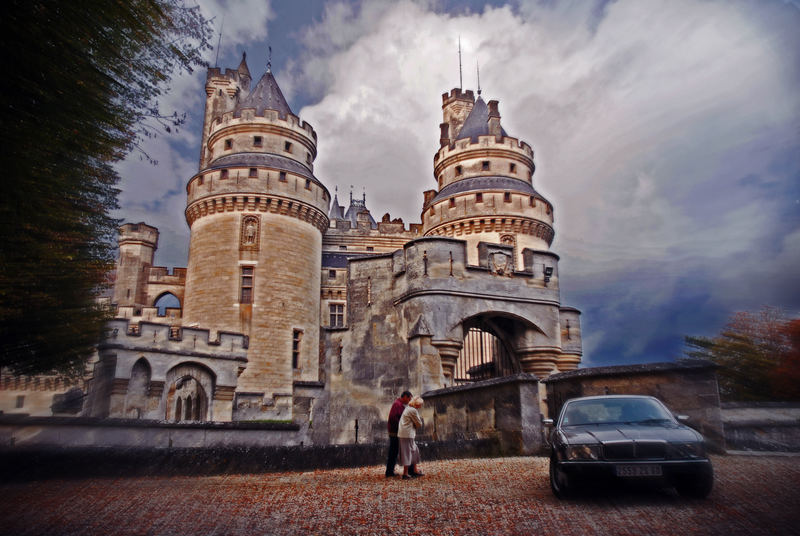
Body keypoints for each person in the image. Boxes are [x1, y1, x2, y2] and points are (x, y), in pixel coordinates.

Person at [385, 390, 412, 477]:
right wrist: (401, 427)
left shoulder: (399, 404)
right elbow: (393, 418)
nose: (409, 401)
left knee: (394, 451)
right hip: (394, 432)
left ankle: (390, 471)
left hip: (396, 431)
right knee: (393, 451)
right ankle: (389, 472)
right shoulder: (397, 404)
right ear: (405, 397)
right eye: (409, 399)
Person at [397, 395, 424, 479]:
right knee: (408, 453)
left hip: (405, 434)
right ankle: (405, 474)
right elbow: (419, 423)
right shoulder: (413, 410)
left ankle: (415, 470)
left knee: (414, 451)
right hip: (407, 434)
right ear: (417, 404)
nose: (421, 406)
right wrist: (415, 425)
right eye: (420, 404)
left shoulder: (408, 408)